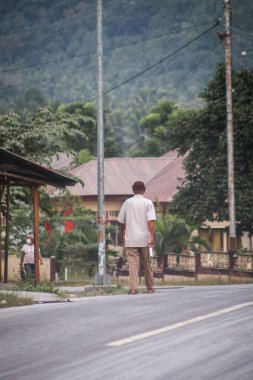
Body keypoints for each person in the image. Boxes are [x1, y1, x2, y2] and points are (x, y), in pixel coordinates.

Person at [118, 180, 156, 294]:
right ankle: (149, 288)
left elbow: (122, 222)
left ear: (133, 190)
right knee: (147, 264)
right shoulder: (148, 203)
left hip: (131, 239)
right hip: (145, 239)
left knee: (133, 265)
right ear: (144, 190)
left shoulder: (127, 203)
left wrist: (123, 234)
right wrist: (152, 237)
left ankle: (133, 289)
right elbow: (151, 222)